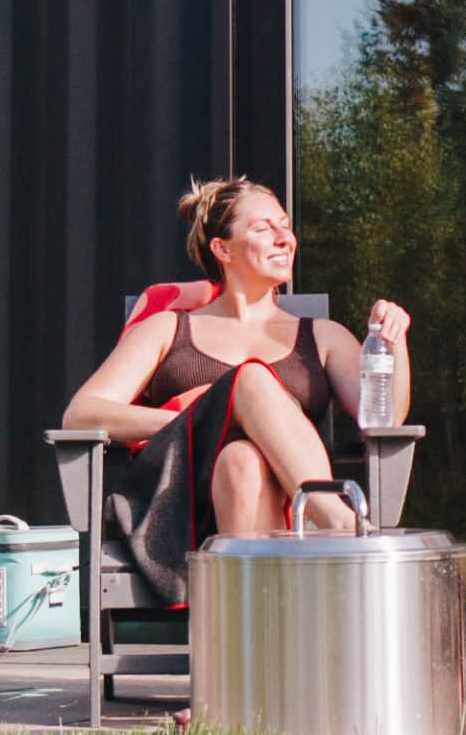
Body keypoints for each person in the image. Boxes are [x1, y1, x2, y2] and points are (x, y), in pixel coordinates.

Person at [62, 178, 408, 607]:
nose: (285, 238)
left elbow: (385, 418)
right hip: (178, 508)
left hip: (276, 509)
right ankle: (336, 516)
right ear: (223, 250)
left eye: (285, 225)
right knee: (251, 379)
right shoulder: (170, 328)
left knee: (242, 459)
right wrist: (204, 414)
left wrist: (393, 341)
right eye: (264, 229)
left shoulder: (322, 336)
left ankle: (251, 638)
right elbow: (81, 413)